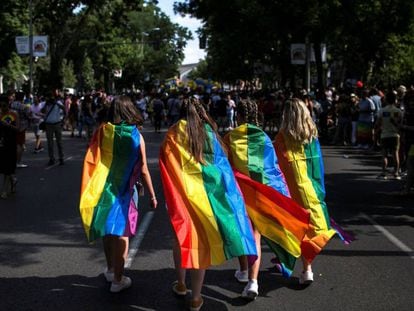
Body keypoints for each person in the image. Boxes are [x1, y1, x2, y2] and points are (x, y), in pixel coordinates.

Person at [159, 96, 257, 311]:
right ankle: (196, 297)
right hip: (207, 198)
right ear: (202, 111)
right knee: (201, 243)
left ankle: (182, 284)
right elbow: (222, 169)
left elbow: (166, 164)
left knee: (181, 238)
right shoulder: (209, 133)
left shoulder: (173, 133)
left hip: (182, 196)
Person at [224, 96, 310, 299]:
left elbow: (225, 168)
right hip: (262, 195)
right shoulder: (263, 137)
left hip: (241, 194)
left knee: (245, 234)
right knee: (255, 235)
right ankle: (252, 282)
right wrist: (282, 196)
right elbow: (273, 170)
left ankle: (246, 274)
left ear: (239, 115)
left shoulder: (230, 137)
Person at [79, 95, 157, 293]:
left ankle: (110, 269)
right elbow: (145, 169)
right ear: (130, 110)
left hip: (103, 188)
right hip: (127, 190)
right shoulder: (136, 136)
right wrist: (153, 195)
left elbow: (92, 159)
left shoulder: (103, 131)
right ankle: (118, 280)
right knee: (123, 232)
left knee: (107, 228)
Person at [274, 98, 352, 284]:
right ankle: (304, 268)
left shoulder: (282, 137)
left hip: (290, 191)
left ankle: (303, 267)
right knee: (308, 229)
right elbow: (317, 166)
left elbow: (275, 167)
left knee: (290, 228)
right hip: (311, 190)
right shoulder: (312, 136)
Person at [375, 91, 403, 180]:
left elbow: (377, 124)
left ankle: (383, 173)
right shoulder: (399, 111)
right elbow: (400, 124)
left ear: (386, 100)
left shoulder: (382, 110)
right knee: (396, 154)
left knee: (384, 155)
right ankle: (396, 173)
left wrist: (376, 132)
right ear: (395, 100)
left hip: (384, 135)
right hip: (395, 135)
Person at [0, 95, 19, 199]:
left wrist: (7, 125)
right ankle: (13, 180)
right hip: (1, 143)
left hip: (11, 144)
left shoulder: (14, 114)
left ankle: (4, 190)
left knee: (7, 167)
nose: (3, 108)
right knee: (5, 168)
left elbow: (18, 128)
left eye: (4, 105)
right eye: (1, 106)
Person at [43, 90, 66, 165]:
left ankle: (61, 158)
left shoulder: (57, 103)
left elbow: (64, 109)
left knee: (59, 142)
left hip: (57, 124)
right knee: (50, 143)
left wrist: (63, 119)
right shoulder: (45, 104)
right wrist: (46, 104)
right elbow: (42, 111)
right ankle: (51, 158)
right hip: (48, 124)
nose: (49, 99)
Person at [10, 91, 30, 168]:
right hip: (21, 127)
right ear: (22, 97)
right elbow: (28, 115)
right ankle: (18, 162)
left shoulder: (12, 104)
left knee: (14, 144)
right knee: (19, 144)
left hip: (12, 125)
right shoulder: (24, 106)